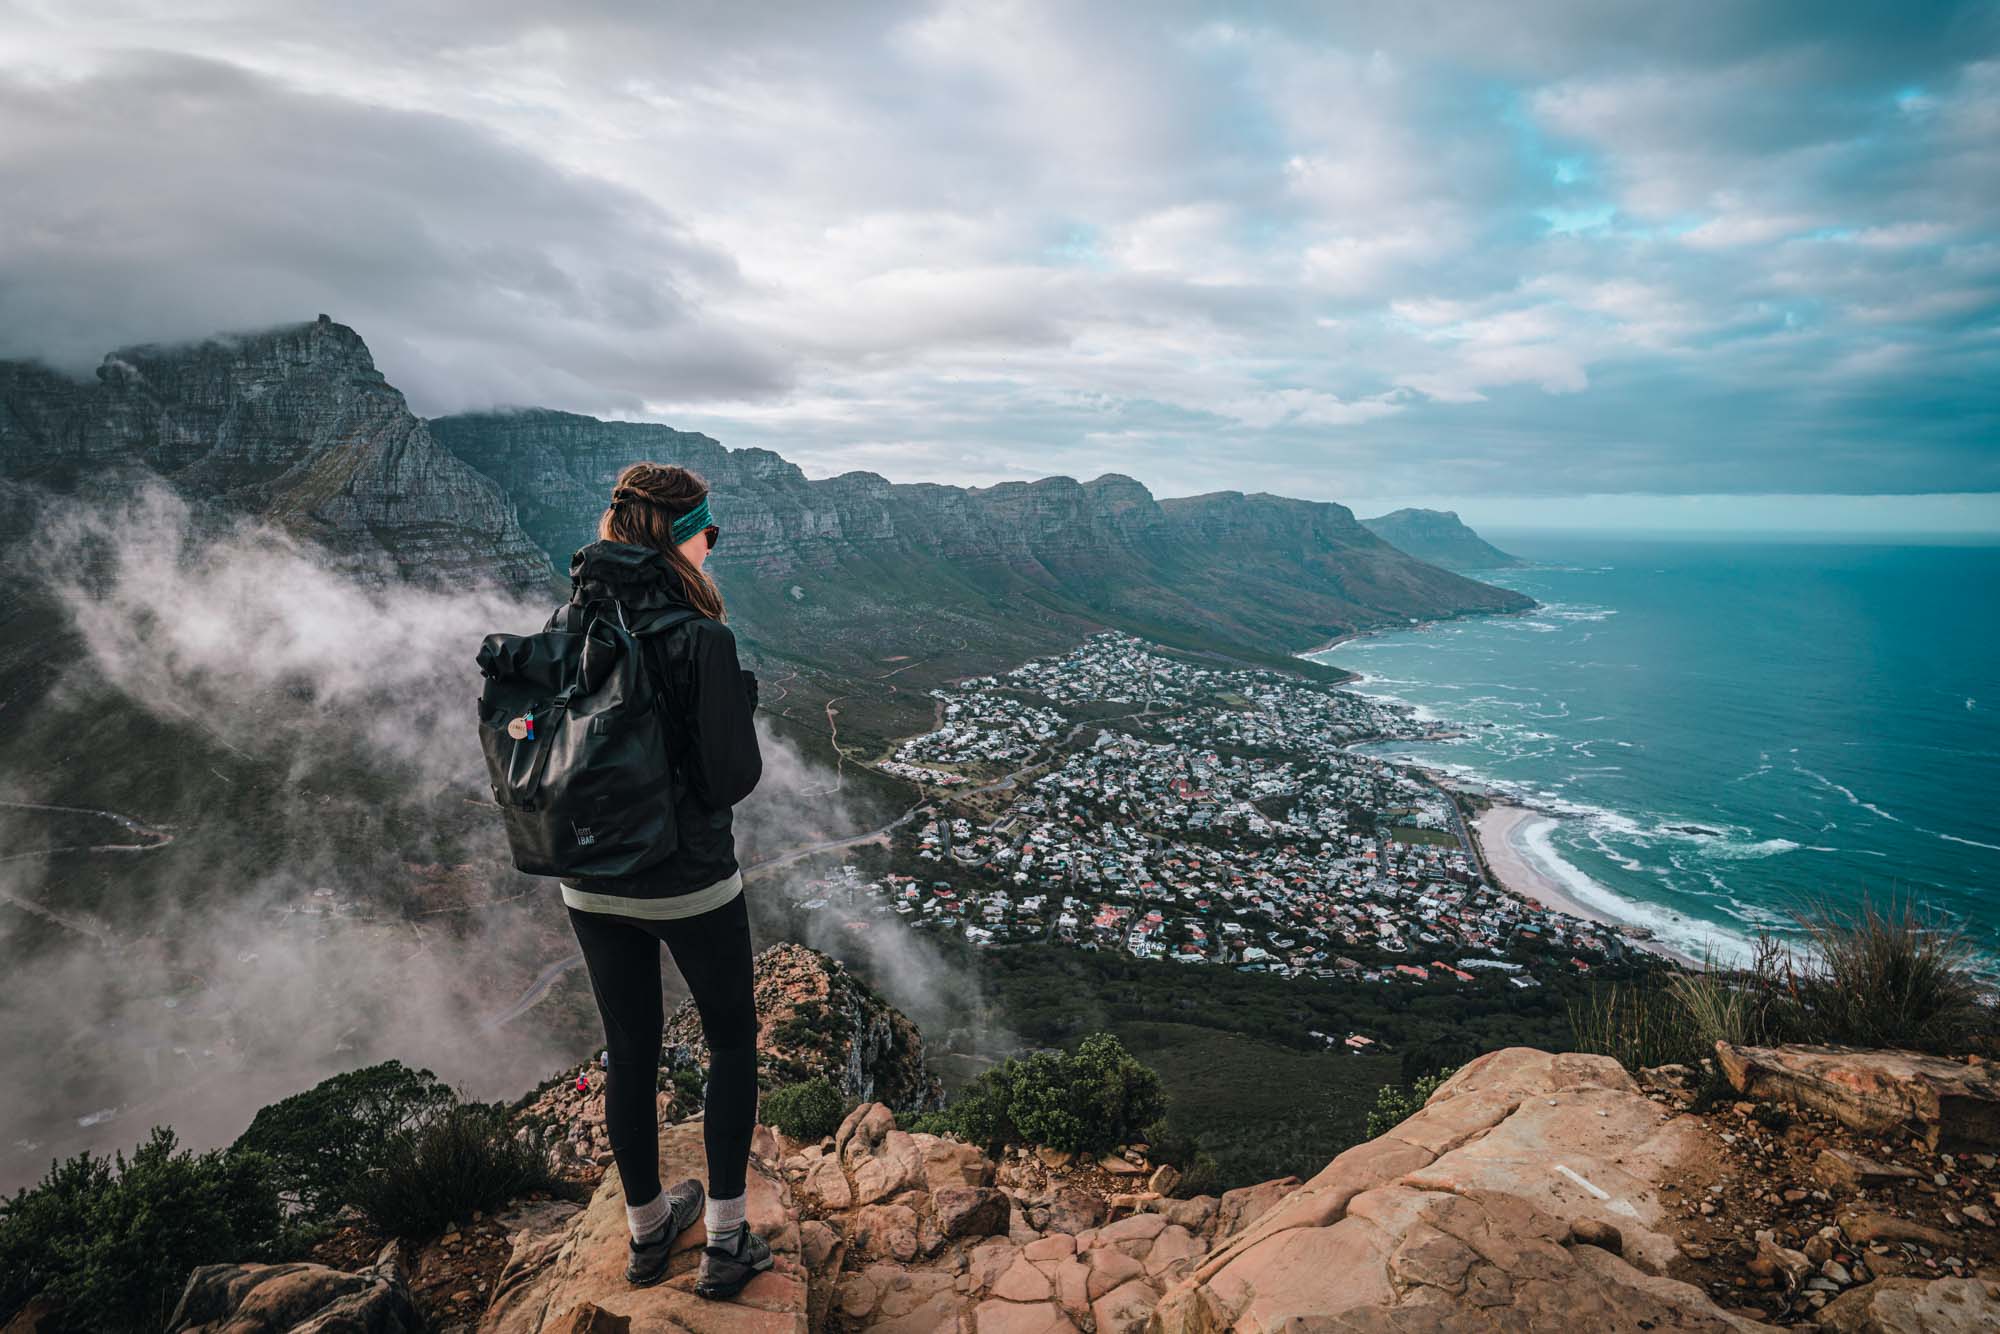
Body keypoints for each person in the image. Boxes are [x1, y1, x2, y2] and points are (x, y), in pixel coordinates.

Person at [559, 461, 769, 1298]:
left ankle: (647, 1233)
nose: (713, 549)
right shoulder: (702, 637)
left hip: (587, 875)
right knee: (730, 1041)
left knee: (631, 1053)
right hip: (686, 879)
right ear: (683, 534)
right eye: (709, 533)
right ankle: (725, 1240)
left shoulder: (572, 616)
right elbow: (728, 780)